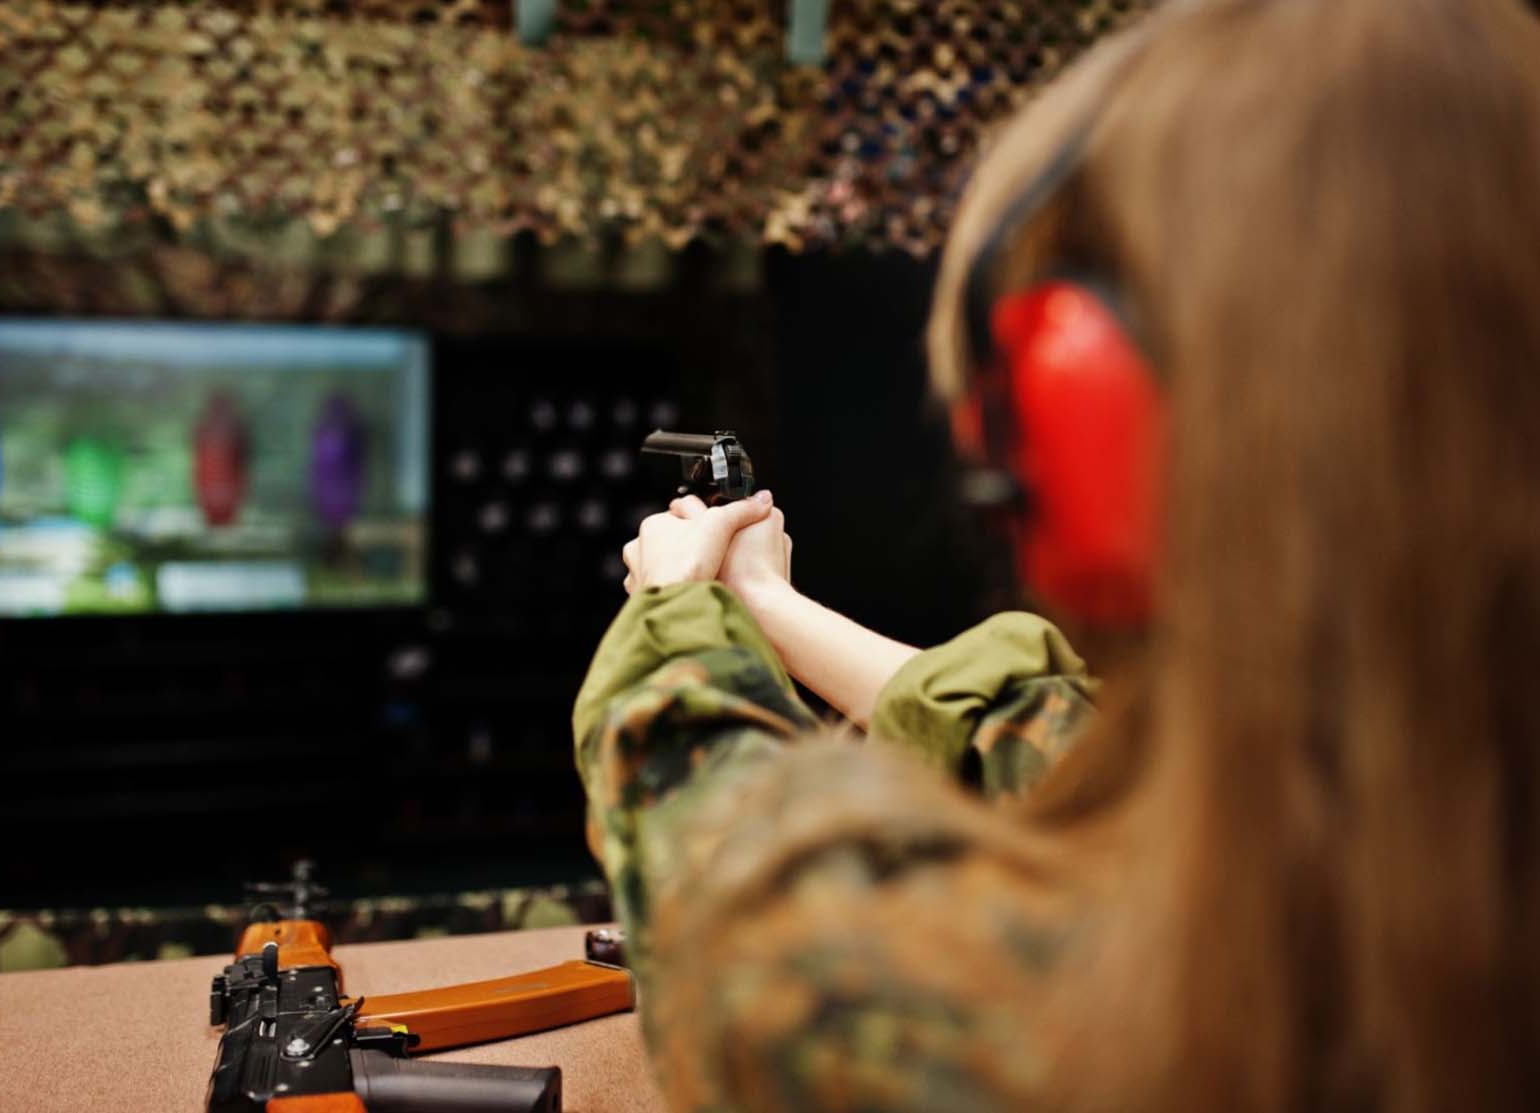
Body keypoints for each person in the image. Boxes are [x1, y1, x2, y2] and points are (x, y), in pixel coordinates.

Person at [573, 0, 1540, 1109]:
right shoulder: (1419, 840)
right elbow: (1055, 733)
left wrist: (673, 623)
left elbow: (742, 928)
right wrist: (765, 607)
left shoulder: (1064, 1022)